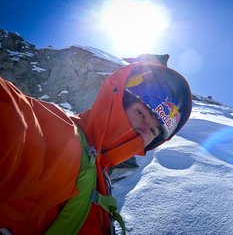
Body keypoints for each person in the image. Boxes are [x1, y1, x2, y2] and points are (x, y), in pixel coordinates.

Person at [0, 61, 192, 234]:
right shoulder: (61, 136)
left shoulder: (100, 168)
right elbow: (15, 121)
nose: (143, 131)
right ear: (116, 100)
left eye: (153, 131)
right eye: (140, 113)